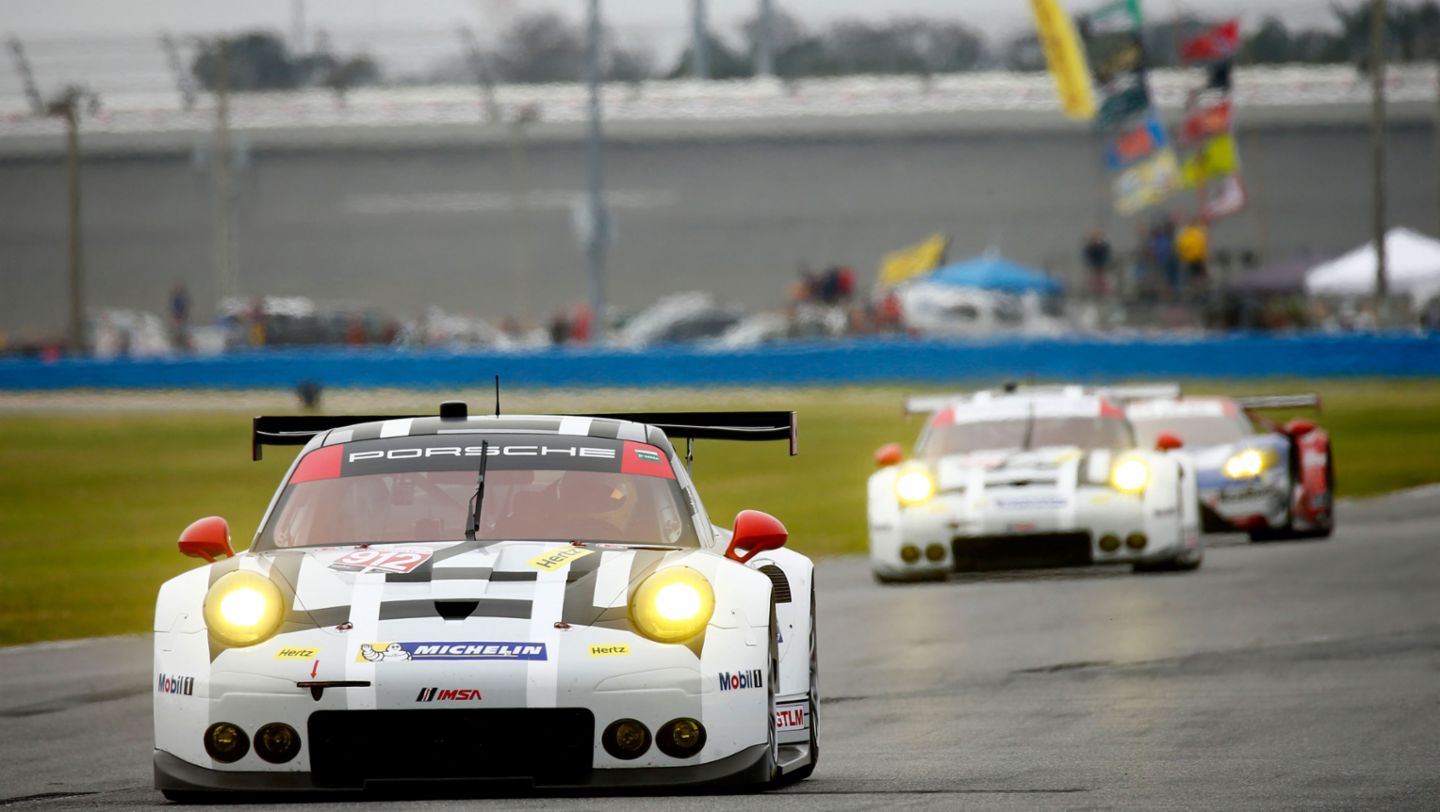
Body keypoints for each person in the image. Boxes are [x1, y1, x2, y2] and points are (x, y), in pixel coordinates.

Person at [1176, 217, 1210, 290]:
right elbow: (1203, 244)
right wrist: (1204, 256)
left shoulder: (1184, 234)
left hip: (1189, 258)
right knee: (1200, 275)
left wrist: (1182, 256)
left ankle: (1195, 288)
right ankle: (1201, 288)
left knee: (1192, 275)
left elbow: (1180, 246)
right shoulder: (1198, 232)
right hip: (1198, 258)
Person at [1082, 229, 1112, 297]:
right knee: (1093, 281)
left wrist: (1102, 265)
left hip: (1101, 265)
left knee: (1102, 281)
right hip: (1093, 266)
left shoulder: (1104, 246)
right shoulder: (1089, 246)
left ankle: (1103, 293)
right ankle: (1094, 293)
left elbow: (1106, 255)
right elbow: (1086, 255)